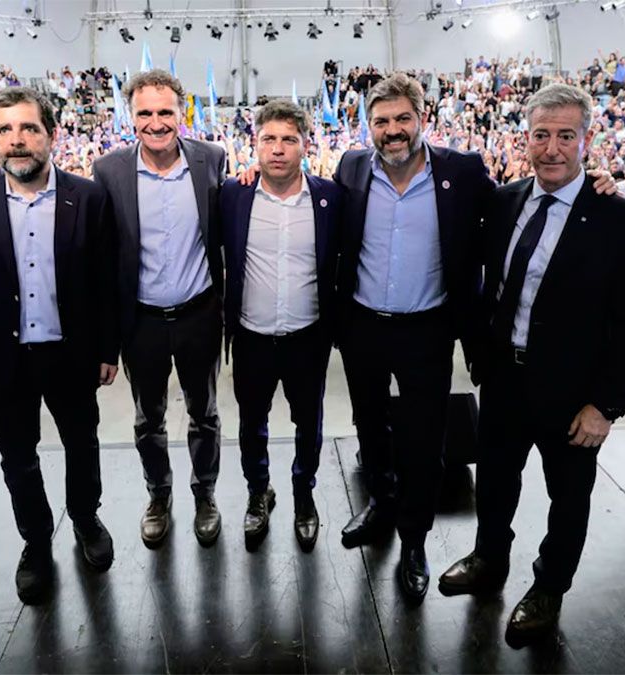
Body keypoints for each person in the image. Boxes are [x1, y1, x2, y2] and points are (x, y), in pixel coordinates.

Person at [438, 83, 625, 644]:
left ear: (586, 140)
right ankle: (489, 558)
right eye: (541, 135)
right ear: (526, 138)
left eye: (565, 136)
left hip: (574, 394)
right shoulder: (503, 201)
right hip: (504, 377)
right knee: (494, 482)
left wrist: (605, 406)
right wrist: (481, 356)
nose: (552, 148)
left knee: (569, 498)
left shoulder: (622, 222)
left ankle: (549, 588)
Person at [0, 86, 119, 604]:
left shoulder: (87, 196)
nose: (16, 140)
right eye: (5, 129)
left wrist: (107, 349)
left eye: (28, 128)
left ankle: (85, 518)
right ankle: (36, 542)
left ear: (51, 135)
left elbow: (104, 281)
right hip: (3, 359)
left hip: (71, 355)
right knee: (18, 458)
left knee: (82, 445)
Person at [330, 72, 498, 605]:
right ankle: (381, 505)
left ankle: (415, 539)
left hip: (428, 329)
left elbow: (512, 208)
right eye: (381, 121)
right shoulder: (352, 168)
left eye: (403, 118)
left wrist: (591, 182)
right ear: (368, 126)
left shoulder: (462, 171)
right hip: (363, 325)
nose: (393, 130)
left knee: (426, 440)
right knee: (370, 425)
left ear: (422, 119)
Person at [92, 70, 227, 550]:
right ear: (131, 117)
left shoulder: (212, 159)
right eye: (144, 113)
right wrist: (106, 340)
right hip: (142, 322)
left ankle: (205, 494)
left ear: (181, 113)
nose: (155, 122)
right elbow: (103, 257)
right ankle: (158, 495)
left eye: (165, 111)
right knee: (148, 419)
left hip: (199, 315)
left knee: (204, 414)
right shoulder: (109, 171)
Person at [219, 100, 342, 552]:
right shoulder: (233, 195)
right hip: (251, 337)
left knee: (309, 423)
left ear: (306, 145)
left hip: (308, 337)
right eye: (268, 139)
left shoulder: (330, 199)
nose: (277, 149)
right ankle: (259, 491)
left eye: (289, 139)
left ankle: (304, 494)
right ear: (255, 144)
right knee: (252, 423)